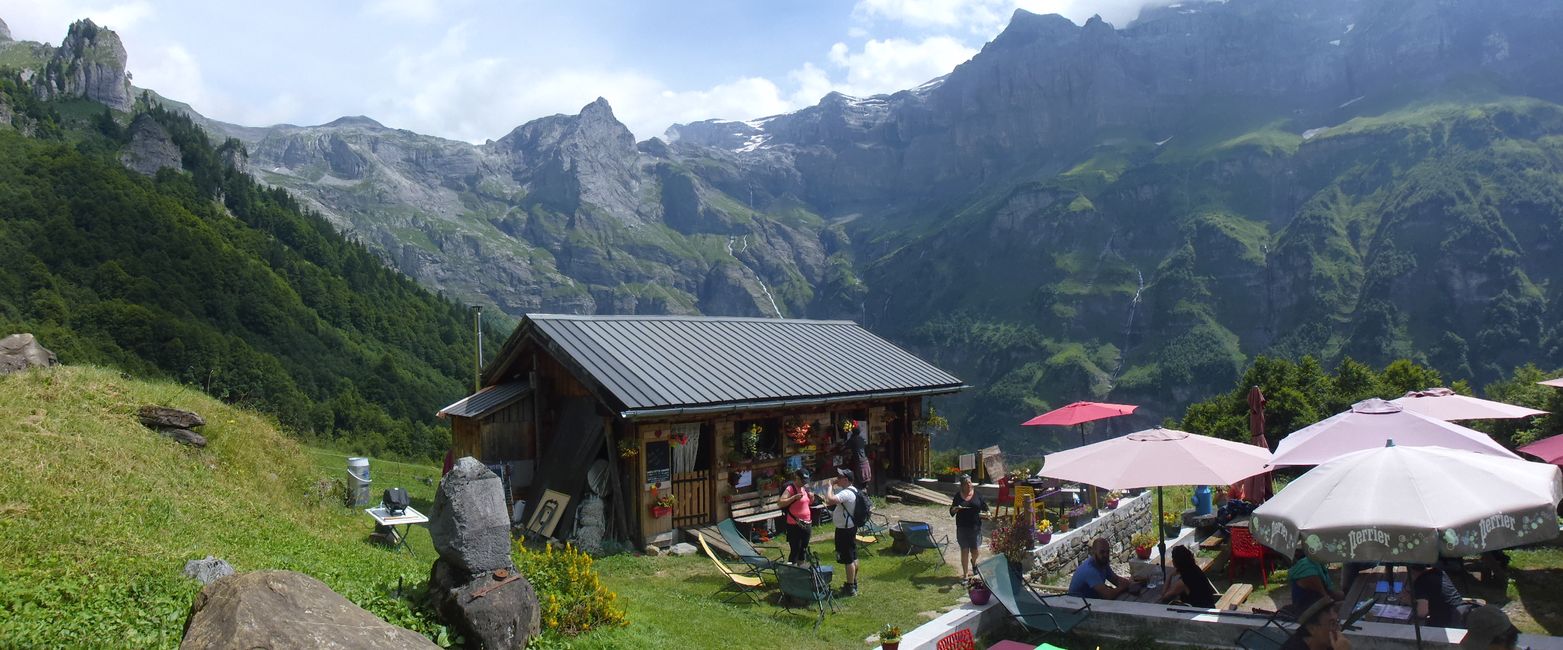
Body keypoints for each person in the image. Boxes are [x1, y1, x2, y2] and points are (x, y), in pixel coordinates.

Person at [824, 467, 862, 597]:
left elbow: (829, 500)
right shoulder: (853, 491)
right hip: (849, 527)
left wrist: (829, 486)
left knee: (848, 559)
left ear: (846, 479)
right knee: (853, 555)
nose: (837, 479)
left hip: (845, 530)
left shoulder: (846, 493)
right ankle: (853, 582)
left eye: (840, 477)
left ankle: (850, 587)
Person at [1067, 537, 1143, 599]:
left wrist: (1131, 583)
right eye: (1102, 552)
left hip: (1090, 601)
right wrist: (1122, 588)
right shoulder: (1090, 570)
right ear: (1093, 552)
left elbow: (1115, 579)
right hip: (1077, 608)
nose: (1105, 555)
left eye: (1107, 552)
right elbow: (1108, 595)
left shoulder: (1102, 562)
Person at [1411, 563, 1476, 629]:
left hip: (1448, 621)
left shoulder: (1420, 581)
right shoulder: (1439, 572)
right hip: (1462, 611)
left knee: (1416, 627)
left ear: (1412, 572)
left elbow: (1422, 613)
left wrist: (1412, 604)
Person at [949, 474, 988, 580]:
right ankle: (965, 575)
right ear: (962, 485)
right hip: (962, 526)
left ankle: (974, 563)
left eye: (970, 482)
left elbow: (985, 508)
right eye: (966, 483)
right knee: (964, 550)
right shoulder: (958, 496)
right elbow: (952, 510)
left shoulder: (978, 495)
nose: (969, 485)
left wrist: (987, 514)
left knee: (975, 551)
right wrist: (955, 509)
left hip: (975, 526)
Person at [1281, 597, 1352, 650]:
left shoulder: (1331, 646)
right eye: (1332, 624)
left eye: (1338, 622)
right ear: (1312, 628)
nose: (1338, 629)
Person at [777, 469, 813, 564]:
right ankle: (791, 571)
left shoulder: (805, 488)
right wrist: (793, 497)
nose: (804, 483)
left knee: (803, 549)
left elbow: (807, 503)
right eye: (802, 481)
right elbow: (780, 503)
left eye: (806, 481)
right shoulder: (790, 488)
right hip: (794, 524)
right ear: (797, 478)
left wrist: (812, 498)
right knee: (795, 549)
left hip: (806, 523)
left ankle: (801, 570)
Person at [1290, 548, 1344, 613]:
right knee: (1349, 608)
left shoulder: (1317, 564)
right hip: (1308, 614)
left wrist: (1346, 595)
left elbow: (1331, 593)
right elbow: (1325, 599)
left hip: (1318, 607)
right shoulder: (1307, 570)